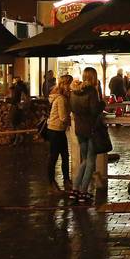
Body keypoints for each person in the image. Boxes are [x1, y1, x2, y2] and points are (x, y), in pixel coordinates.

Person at [70, 67, 105, 203]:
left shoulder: (74, 91)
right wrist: (102, 103)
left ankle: (74, 190)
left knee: (84, 160)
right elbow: (94, 110)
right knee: (90, 161)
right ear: (93, 77)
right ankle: (83, 191)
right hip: (91, 129)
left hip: (79, 129)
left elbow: (72, 108)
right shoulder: (91, 91)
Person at [45, 78, 72, 192]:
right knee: (54, 156)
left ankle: (66, 180)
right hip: (56, 130)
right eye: (69, 85)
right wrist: (69, 119)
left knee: (65, 156)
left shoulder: (61, 97)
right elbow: (63, 117)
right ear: (64, 85)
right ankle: (52, 182)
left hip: (57, 129)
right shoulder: (61, 99)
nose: (70, 87)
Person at [9, 76, 30, 144]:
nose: (12, 81)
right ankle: (19, 137)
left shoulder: (18, 88)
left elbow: (15, 99)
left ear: (16, 81)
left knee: (15, 123)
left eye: (13, 80)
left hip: (17, 107)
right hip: (20, 108)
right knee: (17, 123)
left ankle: (17, 139)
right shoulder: (22, 87)